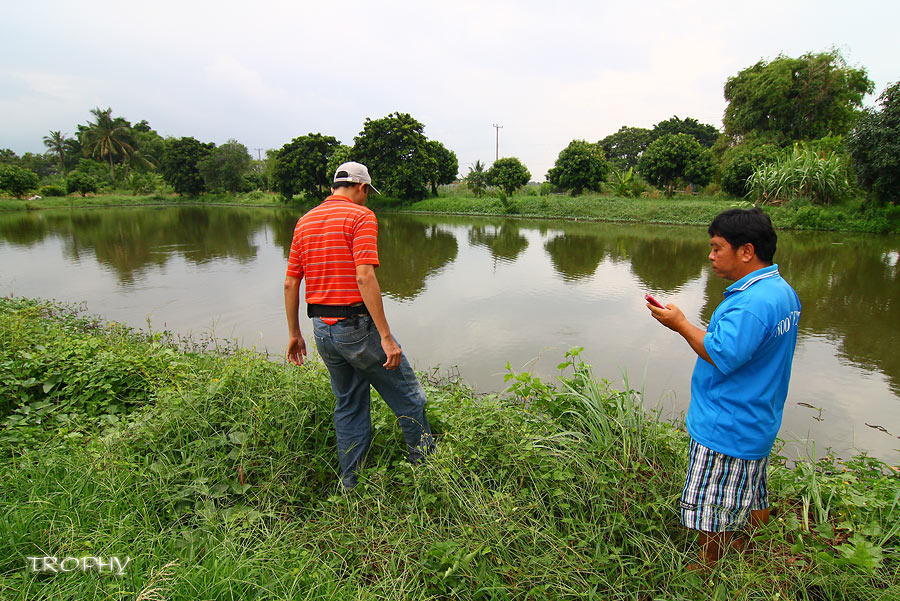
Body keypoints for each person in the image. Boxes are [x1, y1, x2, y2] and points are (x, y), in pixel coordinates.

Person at [646, 207, 801, 568]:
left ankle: (708, 568)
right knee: (752, 491)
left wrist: (681, 323)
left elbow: (720, 353)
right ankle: (753, 552)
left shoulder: (750, 304)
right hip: (758, 418)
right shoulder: (781, 291)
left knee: (713, 507)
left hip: (727, 424)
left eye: (717, 248)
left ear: (746, 251)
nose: (711, 256)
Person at [284, 161, 434, 490]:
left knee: (349, 404)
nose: (367, 198)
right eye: (368, 193)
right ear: (361, 188)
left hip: (322, 329)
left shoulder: (305, 221)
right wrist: (386, 337)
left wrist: (295, 334)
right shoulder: (360, 215)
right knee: (410, 398)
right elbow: (364, 276)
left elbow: (291, 283)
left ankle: (351, 484)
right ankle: (427, 472)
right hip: (357, 328)